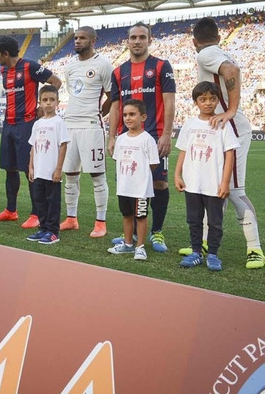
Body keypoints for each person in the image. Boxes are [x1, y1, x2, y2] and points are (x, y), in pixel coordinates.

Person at [188, 16, 264, 269]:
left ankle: (254, 248)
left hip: (229, 126)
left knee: (233, 189)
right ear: (219, 37)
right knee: (213, 186)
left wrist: (230, 110)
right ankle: (207, 243)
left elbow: (232, 72)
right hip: (222, 125)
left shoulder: (205, 53)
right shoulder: (220, 50)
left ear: (194, 41)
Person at [108, 22, 175, 253]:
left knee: (159, 182)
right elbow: (115, 107)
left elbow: (169, 101)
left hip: (155, 135)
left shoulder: (161, 66)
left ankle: (157, 231)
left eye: (141, 37)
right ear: (127, 41)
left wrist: (167, 134)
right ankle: (132, 234)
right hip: (126, 138)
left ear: (149, 40)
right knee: (128, 183)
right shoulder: (118, 71)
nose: (137, 41)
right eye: (133, 37)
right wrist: (112, 136)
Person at [0, 36, 62, 228]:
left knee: (29, 169)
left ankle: (35, 214)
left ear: (6, 54)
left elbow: (56, 81)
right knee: (9, 168)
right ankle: (10, 210)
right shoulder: (3, 70)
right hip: (9, 124)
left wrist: (42, 107)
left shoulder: (30, 67)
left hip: (27, 124)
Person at [175, 82, 240, 271]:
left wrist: (225, 182)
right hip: (193, 183)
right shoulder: (189, 124)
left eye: (212, 99)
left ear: (218, 100)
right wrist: (177, 174)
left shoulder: (222, 124)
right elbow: (183, 150)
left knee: (215, 222)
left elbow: (230, 154)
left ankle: (212, 254)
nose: (208, 103)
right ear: (196, 102)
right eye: (203, 99)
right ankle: (196, 252)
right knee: (194, 220)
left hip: (213, 184)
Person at [59, 26, 114, 238]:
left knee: (97, 175)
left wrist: (99, 112)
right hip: (69, 125)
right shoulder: (70, 66)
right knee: (70, 175)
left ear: (93, 40)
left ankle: (101, 222)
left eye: (82, 38)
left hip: (91, 126)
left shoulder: (103, 64)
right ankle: (71, 219)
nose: (77, 41)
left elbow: (112, 95)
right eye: (75, 38)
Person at [108, 99, 159, 261]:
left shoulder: (147, 139)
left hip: (140, 189)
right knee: (127, 215)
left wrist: (140, 176)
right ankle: (128, 244)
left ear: (143, 117)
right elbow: (118, 160)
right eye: (125, 115)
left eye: (132, 114)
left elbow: (153, 163)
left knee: (141, 217)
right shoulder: (121, 139)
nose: (128, 118)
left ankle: (140, 247)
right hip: (124, 187)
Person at [26, 85, 70, 245]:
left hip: (52, 172)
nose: (48, 103)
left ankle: (53, 231)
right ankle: (43, 228)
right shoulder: (37, 124)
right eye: (45, 100)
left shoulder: (58, 122)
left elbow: (63, 145)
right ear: (40, 102)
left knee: (53, 202)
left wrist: (59, 169)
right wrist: (31, 167)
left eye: (52, 100)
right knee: (40, 200)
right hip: (38, 171)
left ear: (57, 102)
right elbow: (33, 147)